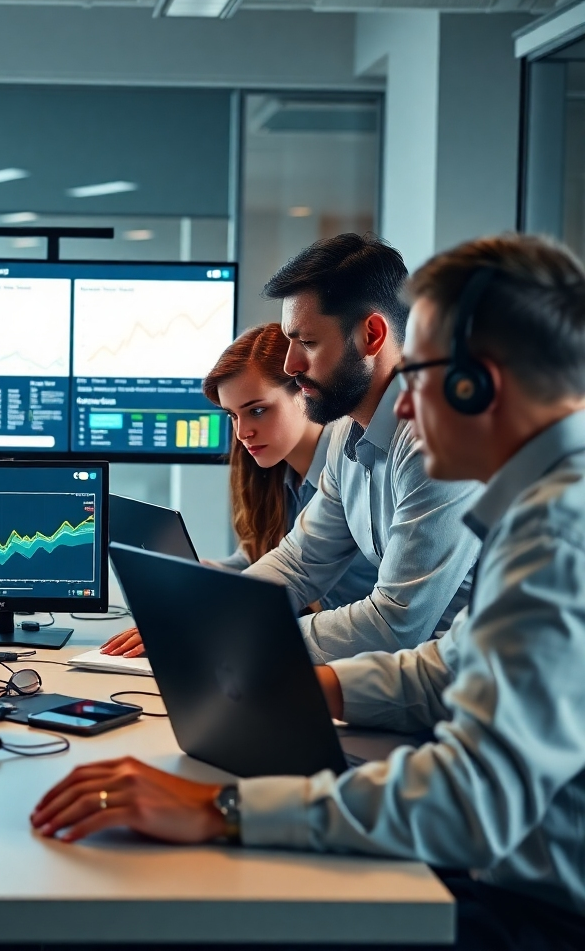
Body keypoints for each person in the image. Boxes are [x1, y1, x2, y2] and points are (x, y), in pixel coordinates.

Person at [32, 234, 585, 949]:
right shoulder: (536, 510)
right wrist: (303, 682)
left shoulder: (556, 535)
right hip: (501, 878)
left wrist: (224, 809)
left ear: (477, 384)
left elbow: (471, 799)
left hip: (532, 913)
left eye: (415, 376)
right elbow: (446, 667)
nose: (406, 410)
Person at [104, 233, 482, 665]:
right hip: (413, 681)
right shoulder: (347, 434)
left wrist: (229, 631)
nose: (290, 365)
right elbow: (299, 562)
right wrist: (208, 613)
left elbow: (395, 623)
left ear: (372, 335)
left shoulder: (439, 438)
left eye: (308, 343)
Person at [101, 323, 378, 657]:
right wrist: (207, 578)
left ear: (306, 391)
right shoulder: (279, 476)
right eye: (233, 416)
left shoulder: (355, 468)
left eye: (257, 411)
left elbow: (367, 607)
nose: (243, 432)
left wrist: (221, 618)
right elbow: (260, 557)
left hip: (365, 661)